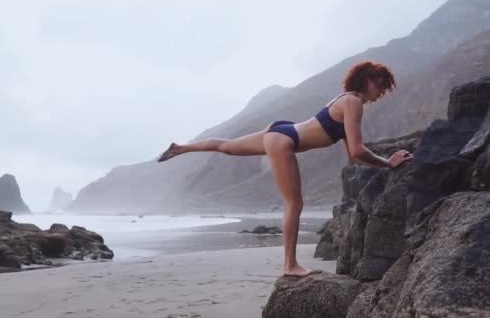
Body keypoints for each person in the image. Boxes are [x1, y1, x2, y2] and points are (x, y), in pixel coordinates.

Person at [157, 61, 413, 277]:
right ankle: (290, 265)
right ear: (367, 80)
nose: (381, 92)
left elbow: (353, 152)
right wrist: (388, 163)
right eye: (380, 85)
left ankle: (181, 148)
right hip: (285, 140)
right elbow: (357, 152)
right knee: (295, 203)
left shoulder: (344, 101)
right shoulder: (353, 103)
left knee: (227, 146)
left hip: (281, 131)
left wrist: (381, 161)